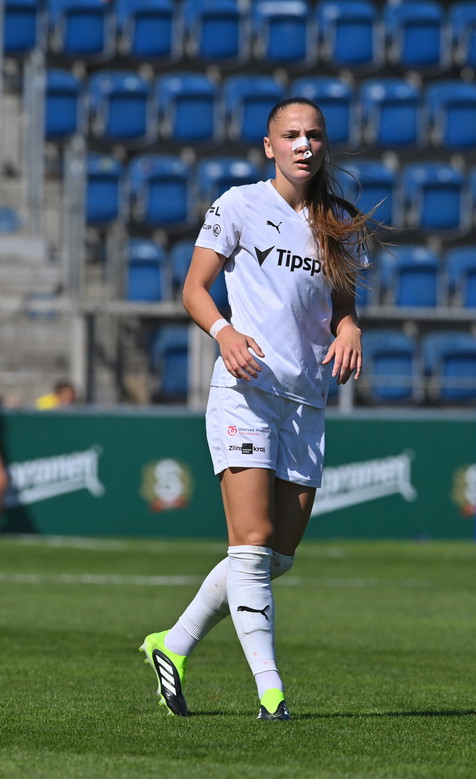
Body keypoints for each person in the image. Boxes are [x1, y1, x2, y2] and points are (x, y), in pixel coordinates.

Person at [140, 97, 379, 721]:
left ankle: (172, 644)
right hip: (244, 392)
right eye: (291, 135)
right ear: (269, 146)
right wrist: (223, 332)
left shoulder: (337, 222)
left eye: (314, 135)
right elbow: (193, 288)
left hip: (305, 401)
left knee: (277, 557)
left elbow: (342, 304)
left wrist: (350, 327)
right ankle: (271, 694)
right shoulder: (239, 205)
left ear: (324, 146)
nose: (303, 144)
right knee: (251, 544)